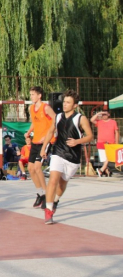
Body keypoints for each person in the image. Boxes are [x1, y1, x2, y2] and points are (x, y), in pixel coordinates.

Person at [40, 89, 93, 224]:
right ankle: (49, 209)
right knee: (53, 179)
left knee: (62, 184)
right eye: (64, 102)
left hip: (73, 157)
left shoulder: (81, 118)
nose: (65, 104)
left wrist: (77, 141)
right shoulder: (58, 117)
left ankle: (56, 201)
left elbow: (90, 136)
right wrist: (43, 147)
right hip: (58, 152)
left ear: (75, 105)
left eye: (68, 102)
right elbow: (51, 131)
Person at [24, 86, 56, 209]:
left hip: (46, 142)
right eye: (30, 94)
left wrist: (48, 135)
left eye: (33, 94)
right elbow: (34, 122)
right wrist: (28, 131)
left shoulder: (46, 108)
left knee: (37, 167)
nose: (31, 96)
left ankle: (48, 195)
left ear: (39, 96)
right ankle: (40, 194)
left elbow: (56, 121)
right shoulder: (31, 108)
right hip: (36, 141)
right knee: (30, 168)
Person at [90, 110, 119, 177]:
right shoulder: (99, 122)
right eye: (102, 115)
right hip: (101, 142)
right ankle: (106, 171)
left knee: (109, 157)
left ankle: (102, 170)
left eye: (105, 114)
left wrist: (116, 143)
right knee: (103, 159)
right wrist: (99, 113)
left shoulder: (113, 122)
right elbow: (92, 120)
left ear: (108, 114)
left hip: (111, 143)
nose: (103, 116)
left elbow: (116, 132)